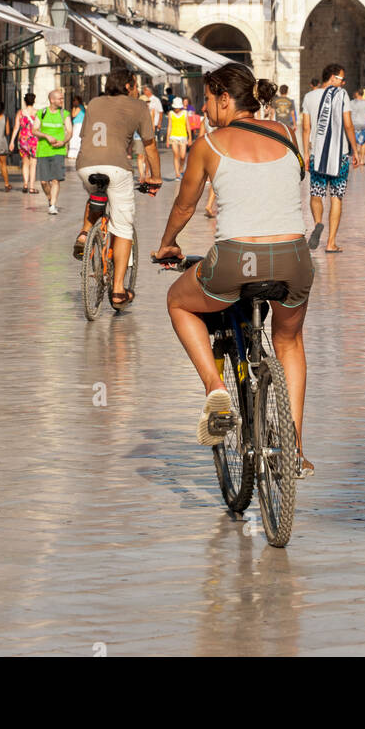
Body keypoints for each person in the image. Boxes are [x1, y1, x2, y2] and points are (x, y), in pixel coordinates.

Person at [153, 64, 314, 475]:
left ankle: (215, 386)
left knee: (178, 302)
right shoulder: (286, 133)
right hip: (294, 258)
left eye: (207, 99)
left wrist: (168, 243)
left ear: (225, 98)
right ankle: (294, 449)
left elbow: (185, 205)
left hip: (234, 260)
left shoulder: (207, 144)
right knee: (290, 342)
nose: (205, 108)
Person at [74, 69, 161, 307]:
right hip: (117, 167)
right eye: (134, 85)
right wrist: (156, 177)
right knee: (122, 227)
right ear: (126, 86)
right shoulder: (139, 107)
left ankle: (85, 232)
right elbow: (150, 145)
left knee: (96, 191)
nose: (136, 89)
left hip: (85, 165)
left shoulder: (93, 103)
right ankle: (119, 291)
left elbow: (85, 138)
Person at [302, 63, 358, 254]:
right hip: (339, 154)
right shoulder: (342, 95)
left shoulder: (309, 97)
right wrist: (355, 150)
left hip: (317, 155)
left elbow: (306, 128)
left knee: (316, 193)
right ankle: (331, 242)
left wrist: (306, 153)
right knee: (336, 197)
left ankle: (318, 223)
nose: (344, 83)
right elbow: (348, 124)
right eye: (342, 79)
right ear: (333, 78)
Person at [35, 88, 72, 215]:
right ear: (52, 100)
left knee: (55, 179)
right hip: (43, 151)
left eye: (62, 98)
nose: (62, 100)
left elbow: (69, 132)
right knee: (44, 181)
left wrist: (64, 142)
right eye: (60, 98)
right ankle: (50, 199)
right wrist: (46, 136)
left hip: (58, 151)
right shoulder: (42, 113)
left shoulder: (64, 114)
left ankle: (53, 205)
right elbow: (34, 130)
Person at [10, 92, 39, 194]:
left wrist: (12, 141)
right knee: (33, 164)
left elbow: (16, 127)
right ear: (34, 101)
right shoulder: (37, 113)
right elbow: (40, 128)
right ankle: (31, 187)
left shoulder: (20, 113)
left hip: (23, 140)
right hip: (34, 140)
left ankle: (25, 184)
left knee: (25, 163)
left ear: (25, 101)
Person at [167, 96, 191, 179]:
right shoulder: (170, 113)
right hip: (173, 136)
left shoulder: (185, 113)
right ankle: (177, 173)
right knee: (176, 155)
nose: (176, 109)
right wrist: (167, 139)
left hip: (183, 136)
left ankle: (181, 168)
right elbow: (169, 126)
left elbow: (188, 125)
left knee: (183, 156)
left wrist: (190, 138)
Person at [349, 88, 365, 168]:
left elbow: (348, 114)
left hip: (353, 124)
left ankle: (355, 158)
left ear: (357, 94)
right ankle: (362, 160)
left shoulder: (351, 103)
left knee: (354, 143)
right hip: (363, 124)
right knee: (363, 143)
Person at [67, 94, 86, 161]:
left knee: (75, 138)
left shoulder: (79, 107)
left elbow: (73, 115)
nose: (73, 102)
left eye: (75, 100)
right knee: (75, 138)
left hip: (79, 124)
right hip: (77, 124)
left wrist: (73, 108)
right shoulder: (79, 107)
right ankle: (74, 153)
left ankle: (74, 153)